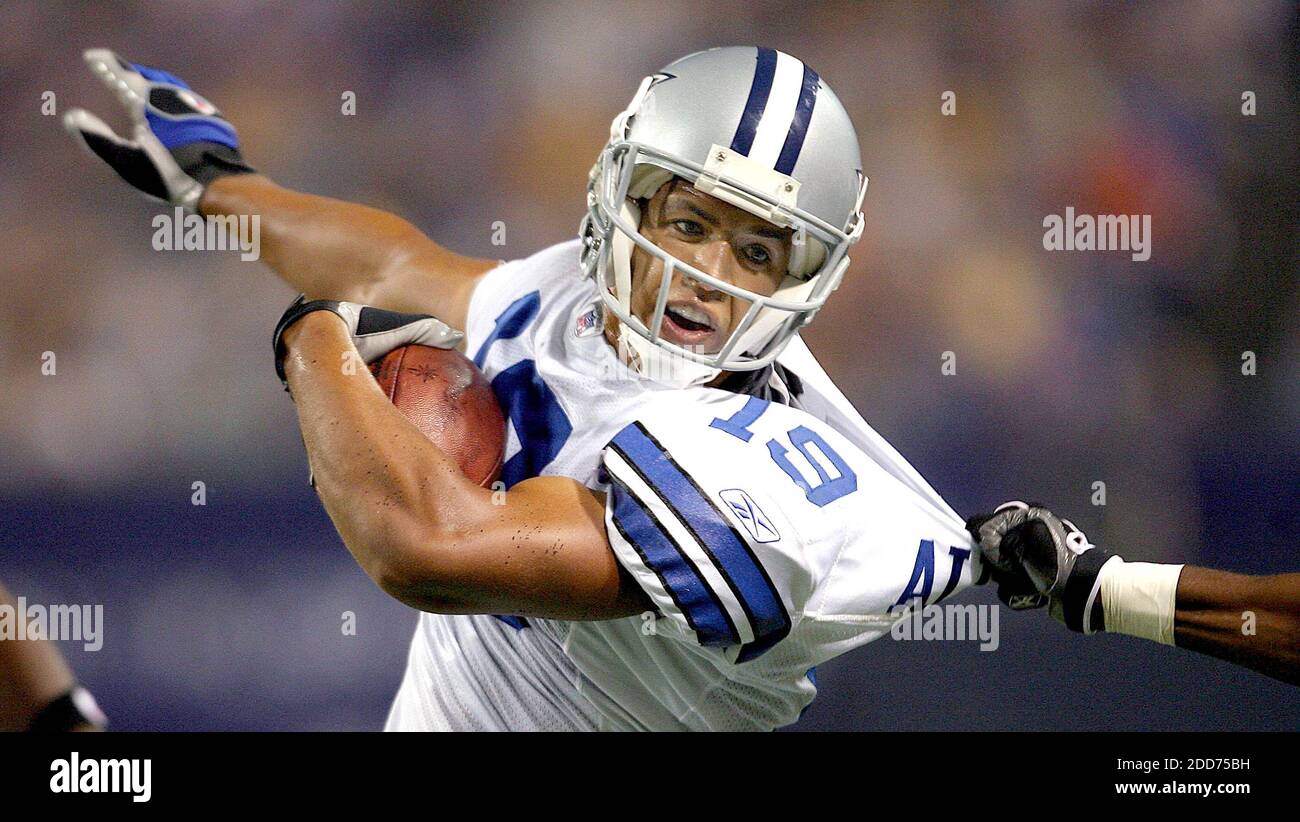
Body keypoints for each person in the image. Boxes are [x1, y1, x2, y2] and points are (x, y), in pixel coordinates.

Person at [64, 46, 1297, 730]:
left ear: (807, 277)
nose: (704, 272)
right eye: (690, 220)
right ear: (624, 195)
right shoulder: (571, 291)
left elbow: (419, 541)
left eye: (757, 250)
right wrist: (218, 183)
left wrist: (309, 340)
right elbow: (400, 260)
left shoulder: (757, 469)